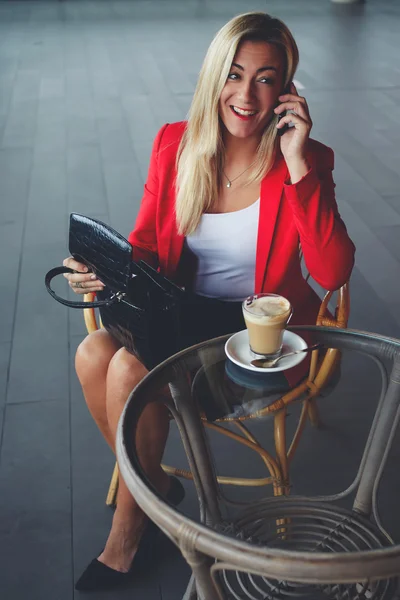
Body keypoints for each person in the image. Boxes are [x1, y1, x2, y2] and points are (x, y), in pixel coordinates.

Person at [63, 11, 355, 591]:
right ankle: (157, 489)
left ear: (288, 91)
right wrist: (107, 272)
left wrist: (297, 164)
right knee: (91, 355)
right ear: (214, 77)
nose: (247, 95)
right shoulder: (177, 143)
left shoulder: (308, 159)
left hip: (254, 341)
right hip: (178, 315)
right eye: (235, 74)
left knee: (122, 365)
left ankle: (126, 536)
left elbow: (333, 271)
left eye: (267, 78)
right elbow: (147, 244)